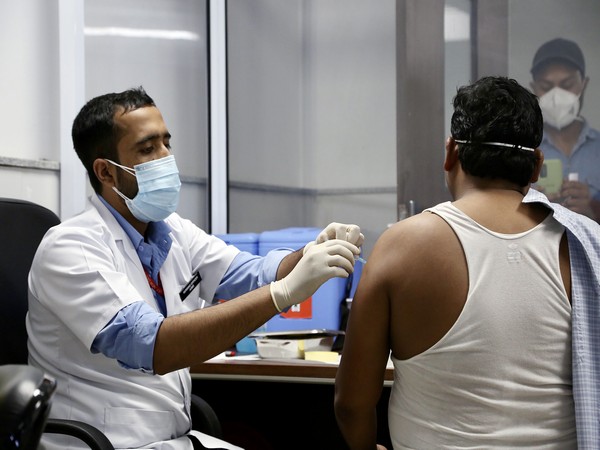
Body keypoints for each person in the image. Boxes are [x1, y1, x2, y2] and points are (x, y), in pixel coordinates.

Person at [26, 86, 364, 450]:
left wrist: (311, 252)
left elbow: (251, 273)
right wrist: (283, 294)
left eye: (166, 144)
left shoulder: (172, 231)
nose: (165, 158)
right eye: (147, 148)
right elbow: (153, 345)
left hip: (170, 440)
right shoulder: (71, 247)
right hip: (103, 443)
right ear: (106, 172)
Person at [334, 76, 600, 449]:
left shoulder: (402, 246)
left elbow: (351, 404)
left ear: (450, 153)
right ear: (537, 164)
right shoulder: (586, 245)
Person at [529, 37, 600, 221]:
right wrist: (532, 210)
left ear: (584, 84)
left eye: (567, 85)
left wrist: (592, 213)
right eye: (546, 86)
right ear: (534, 89)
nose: (556, 96)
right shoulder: (524, 152)